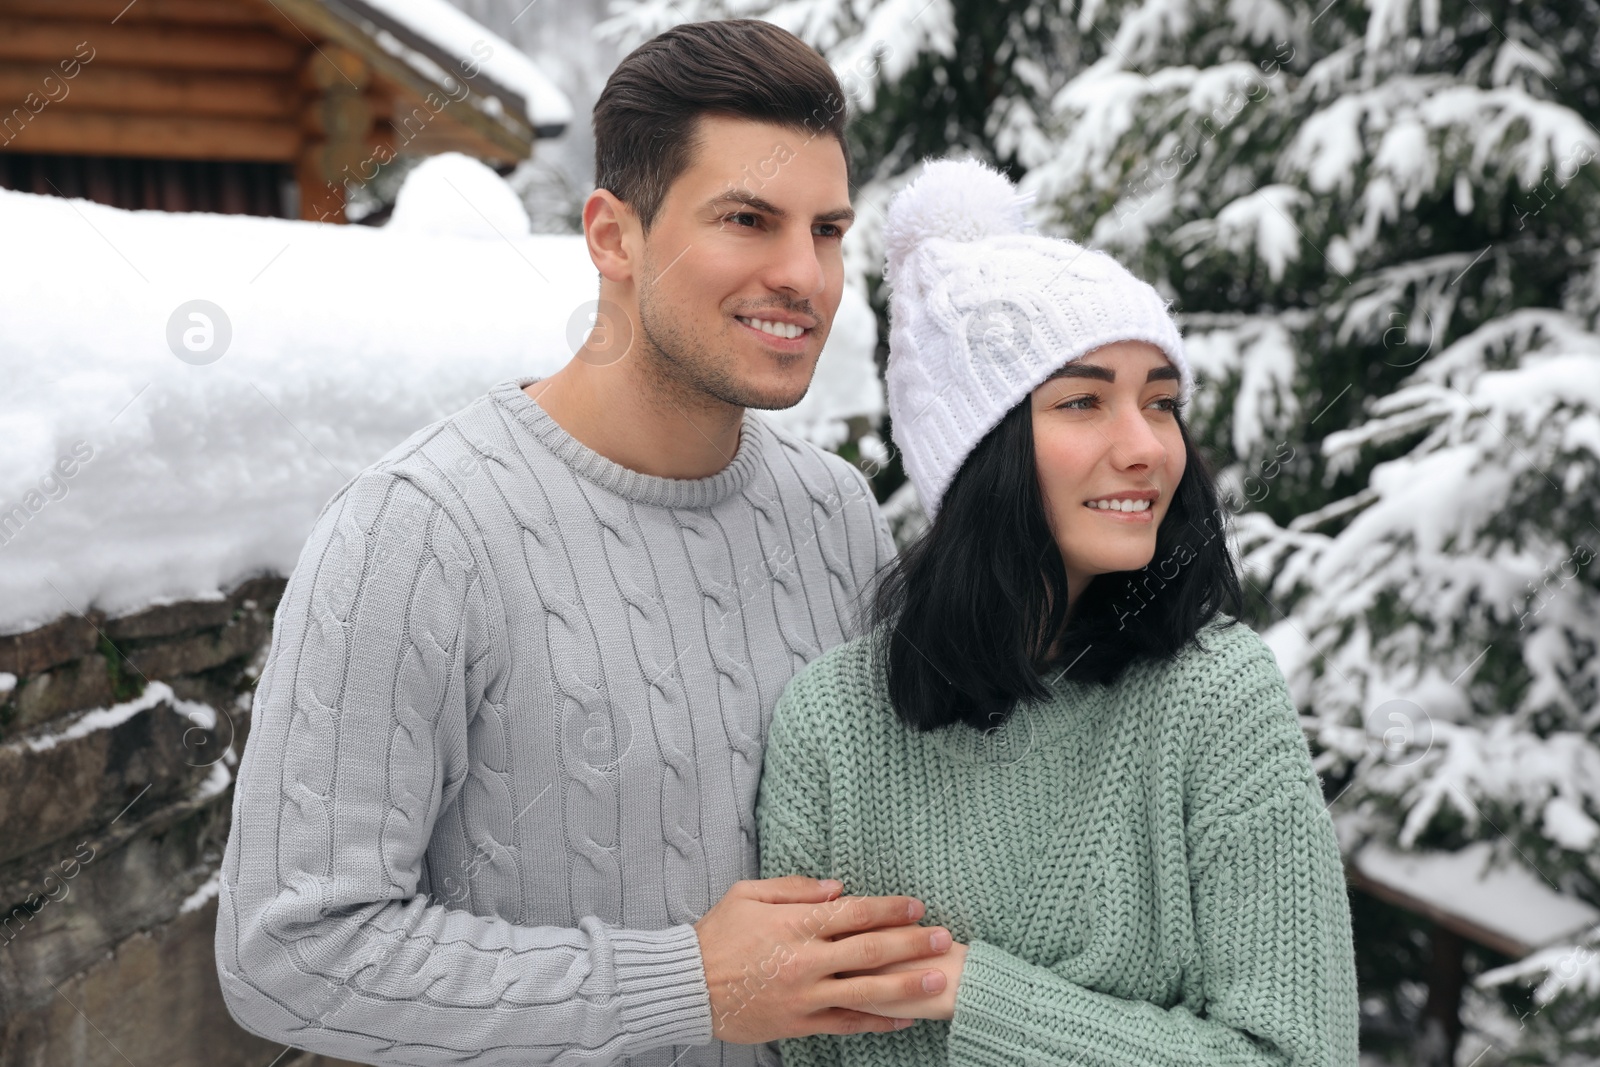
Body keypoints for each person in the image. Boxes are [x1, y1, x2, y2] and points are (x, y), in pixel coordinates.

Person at [215, 21, 959, 1067]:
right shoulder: (418, 529)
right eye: (748, 219)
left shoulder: (833, 513)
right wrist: (684, 983)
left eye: (828, 230)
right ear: (612, 235)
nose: (805, 274)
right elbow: (288, 953)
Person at [757, 158, 1362, 1065]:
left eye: (1162, 402)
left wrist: (968, 994)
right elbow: (800, 1050)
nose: (1146, 447)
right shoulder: (831, 723)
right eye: (1083, 401)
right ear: (978, 454)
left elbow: (1299, 1053)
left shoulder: (1219, 698)